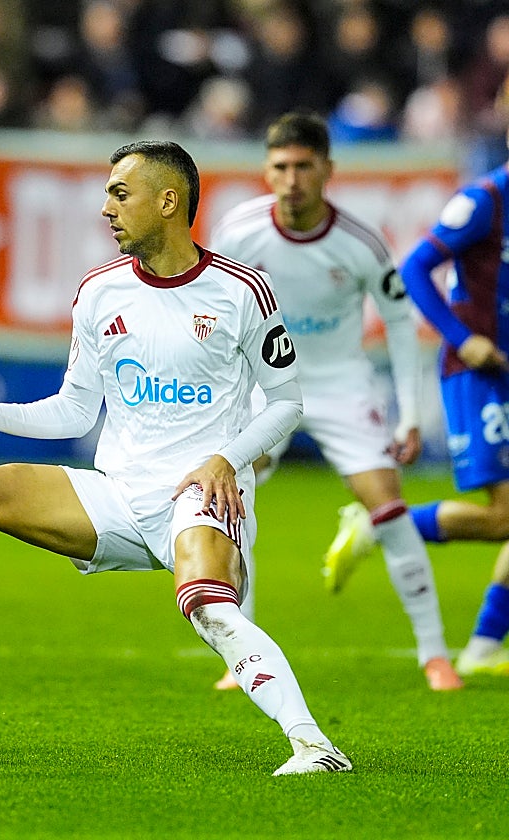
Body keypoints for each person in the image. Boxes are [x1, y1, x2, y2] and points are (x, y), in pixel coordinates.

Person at [0, 140, 351, 776]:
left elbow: (286, 403)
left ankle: (315, 747)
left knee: (209, 608)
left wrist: (225, 460)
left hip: (200, 496)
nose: (106, 208)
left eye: (121, 194)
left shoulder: (241, 291)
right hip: (116, 494)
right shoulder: (99, 291)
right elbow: (74, 410)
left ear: (168, 201)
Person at [210, 112, 461, 692]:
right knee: (230, 501)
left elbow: (400, 323)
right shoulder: (238, 232)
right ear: (266, 170)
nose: (292, 179)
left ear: (328, 169)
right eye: (281, 167)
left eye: (304, 166)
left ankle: (434, 655)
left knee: (389, 510)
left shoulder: (359, 242)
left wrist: (411, 414)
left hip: (341, 385)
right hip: (264, 385)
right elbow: (215, 313)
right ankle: (241, 655)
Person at [383, 121, 509, 677]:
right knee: (504, 518)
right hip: (478, 372)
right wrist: (463, 339)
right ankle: (381, 523)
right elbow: (414, 268)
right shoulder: (484, 201)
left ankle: (484, 648)